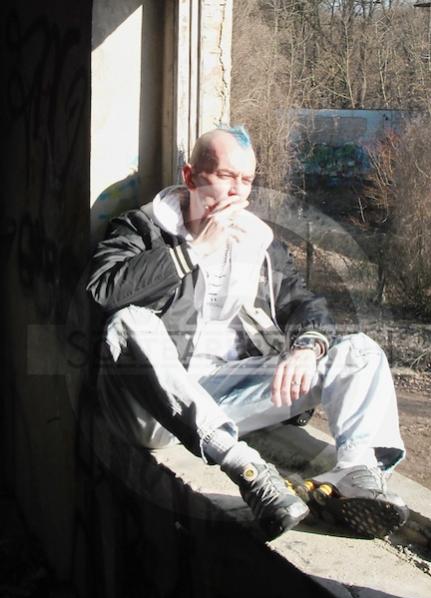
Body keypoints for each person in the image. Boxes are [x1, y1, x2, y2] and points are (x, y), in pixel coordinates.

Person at [87, 125, 408, 540]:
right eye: (225, 176)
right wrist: (194, 250)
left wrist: (307, 347)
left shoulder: (256, 241)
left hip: (222, 394)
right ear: (190, 177)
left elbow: (301, 301)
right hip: (152, 406)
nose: (237, 191)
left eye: (247, 179)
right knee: (130, 322)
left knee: (359, 352)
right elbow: (103, 292)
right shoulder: (144, 227)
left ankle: (355, 475)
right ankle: (249, 469)